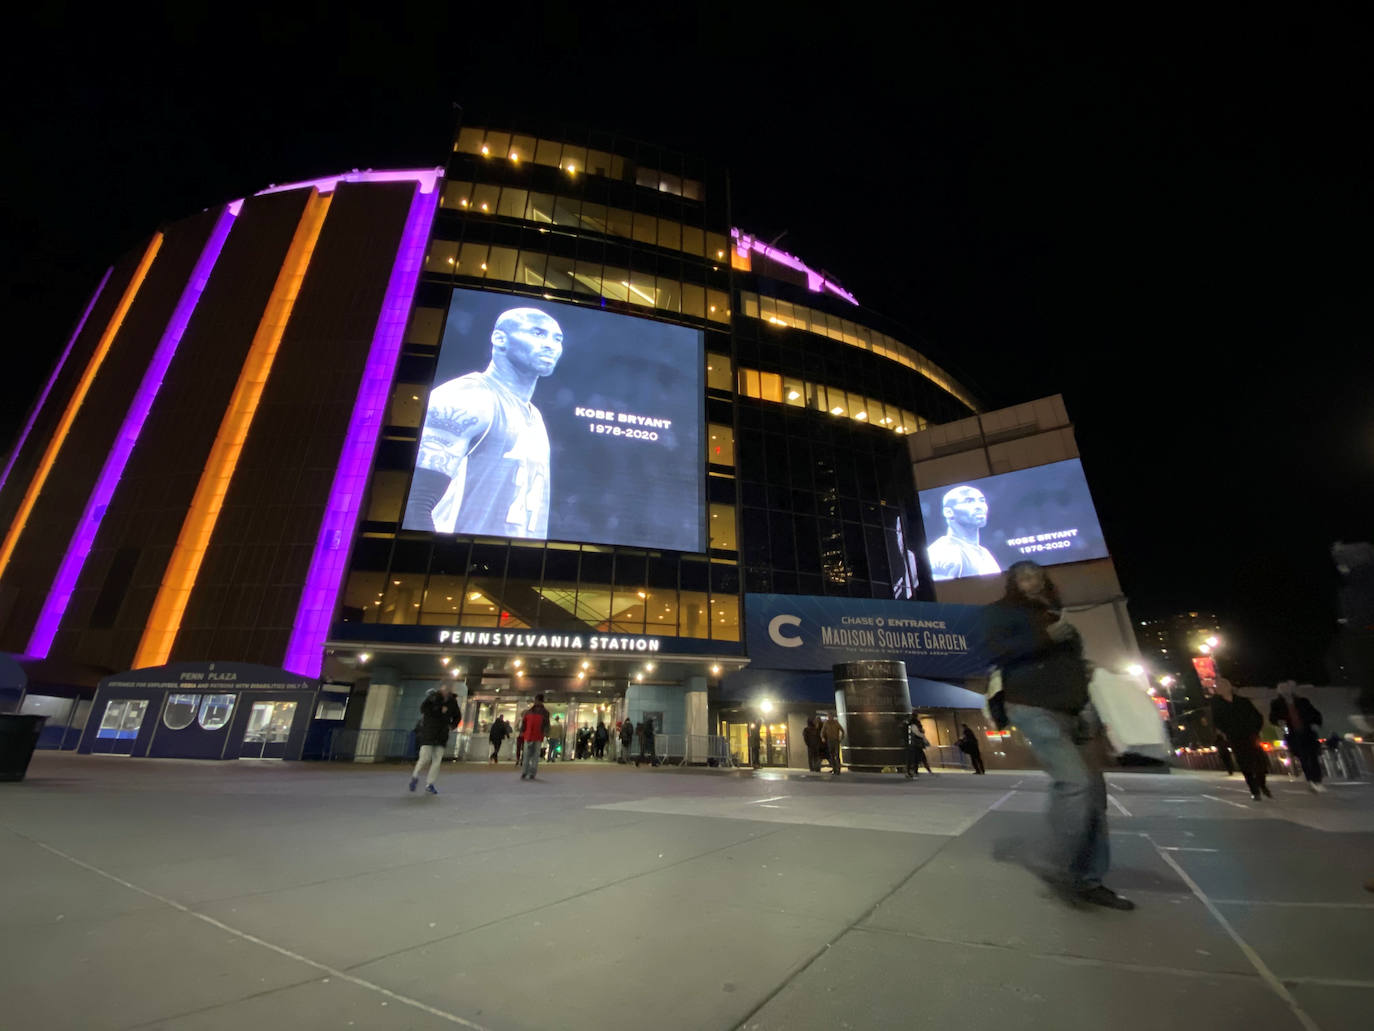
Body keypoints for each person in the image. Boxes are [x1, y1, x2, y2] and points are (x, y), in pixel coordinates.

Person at [984, 560, 1134, 910]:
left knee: (1094, 794)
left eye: (1035, 574)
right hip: (1031, 705)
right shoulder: (1001, 614)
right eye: (1022, 575)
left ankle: (1089, 878)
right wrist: (1043, 638)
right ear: (1012, 583)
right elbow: (994, 651)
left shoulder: (1059, 616)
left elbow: (1073, 664)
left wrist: (1085, 687)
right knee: (1074, 783)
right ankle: (1061, 864)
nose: (1030, 580)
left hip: (1074, 709)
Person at [404, 307, 564, 538]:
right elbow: (415, 502)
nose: (550, 344)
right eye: (537, 333)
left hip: (514, 564)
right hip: (461, 564)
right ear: (500, 339)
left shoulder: (535, 415)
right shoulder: (468, 395)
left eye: (557, 339)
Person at [1209, 678, 1270, 800]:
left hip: (1251, 735)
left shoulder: (1243, 701)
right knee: (1244, 764)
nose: (1221, 688)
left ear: (1229, 686)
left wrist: (1256, 729)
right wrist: (1226, 732)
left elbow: (1257, 716)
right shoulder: (1218, 705)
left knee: (1260, 762)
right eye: (1218, 686)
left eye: (1223, 685)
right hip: (1235, 737)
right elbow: (1217, 721)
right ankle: (1254, 790)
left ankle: (1262, 784)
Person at [927, 485, 1001, 581]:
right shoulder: (945, 552)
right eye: (969, 501)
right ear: (948, 512)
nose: (979, 506)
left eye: (982, 500)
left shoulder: (983, 552)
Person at [1269, 681, 1325, 792]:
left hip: (1307, 732)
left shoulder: (1302, 701)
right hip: (1292, 734)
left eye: (1287, 689)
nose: (1286, 692)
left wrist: (1316, 723)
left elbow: (1314, 713)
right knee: (1303, 757)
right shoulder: (1276, 704)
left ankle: (1317, 779)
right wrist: (1279, 722)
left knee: (1312, 756)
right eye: (1283, 689)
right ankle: (1311, 779)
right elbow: (1273, 718)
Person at [409, 683, 463, 795]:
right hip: (429, 733)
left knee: (437, 761)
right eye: (445, 688)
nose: (446, 690)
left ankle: (430, 784)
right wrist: (438, 709)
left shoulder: (453, 701)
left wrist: (453, 725)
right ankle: (415, 776)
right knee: (424, 758)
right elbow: (423, 709)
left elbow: (458, 715)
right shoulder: (432, 698)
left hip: (442, 734)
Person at [519, 694, 551, 780]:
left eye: (537, 700)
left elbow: (524, 723)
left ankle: (527, 772)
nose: (536, 702)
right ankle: (528, 772)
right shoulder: (543, 712)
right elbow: (524, 723)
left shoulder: (530, 711)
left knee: (529, 755)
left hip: (533, 736)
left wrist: (522, 731)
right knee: (531, 755)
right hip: (533, 736)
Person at [904, 711, 928, 778]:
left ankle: (910, 772)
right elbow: (918, 733)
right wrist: (924, 737)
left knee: (912, 758)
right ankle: (914, 772)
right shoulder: (915, 724)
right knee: (916, 759)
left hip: (911, 744)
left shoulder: (909, 723)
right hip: (915, 744)